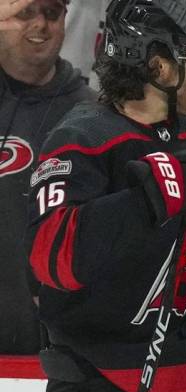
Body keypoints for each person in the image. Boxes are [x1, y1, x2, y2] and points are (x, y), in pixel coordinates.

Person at [25, 0, 186, 392]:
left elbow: (171, 244)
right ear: (160, 68)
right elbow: (50, 258)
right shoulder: (83, 138)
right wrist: (151, 196)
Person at [0, 0, 95, 355]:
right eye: (26, 12)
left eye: (52, 12)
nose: (41, 24)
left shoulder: (92, 116)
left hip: (54, 350)